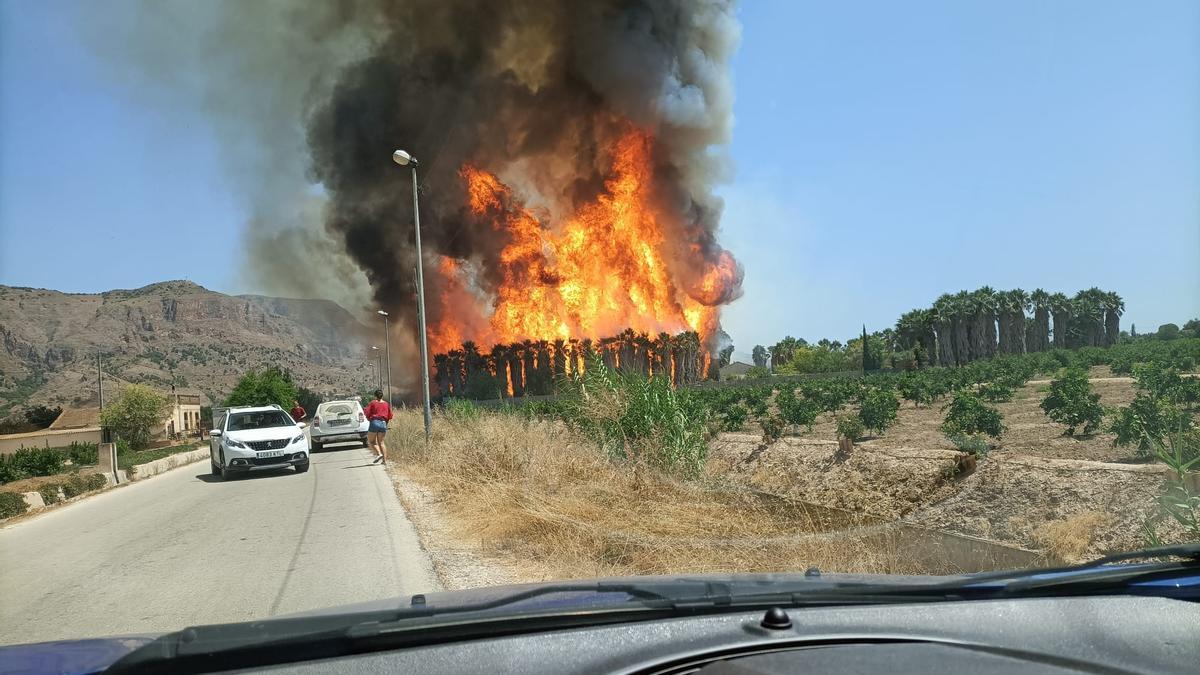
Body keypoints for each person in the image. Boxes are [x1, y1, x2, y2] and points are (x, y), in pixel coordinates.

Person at [363, 390, 392, 465]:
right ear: (382, 396)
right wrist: (386, 423)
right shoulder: (386, 404)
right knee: (382, 442)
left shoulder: (373, 403)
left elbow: (366, 412)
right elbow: (390, 415)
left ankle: (379, 454)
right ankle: (385, 461)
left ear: (375, 396)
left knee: (372, 441)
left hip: (374, 422)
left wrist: (369, 418)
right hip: (383, 423)